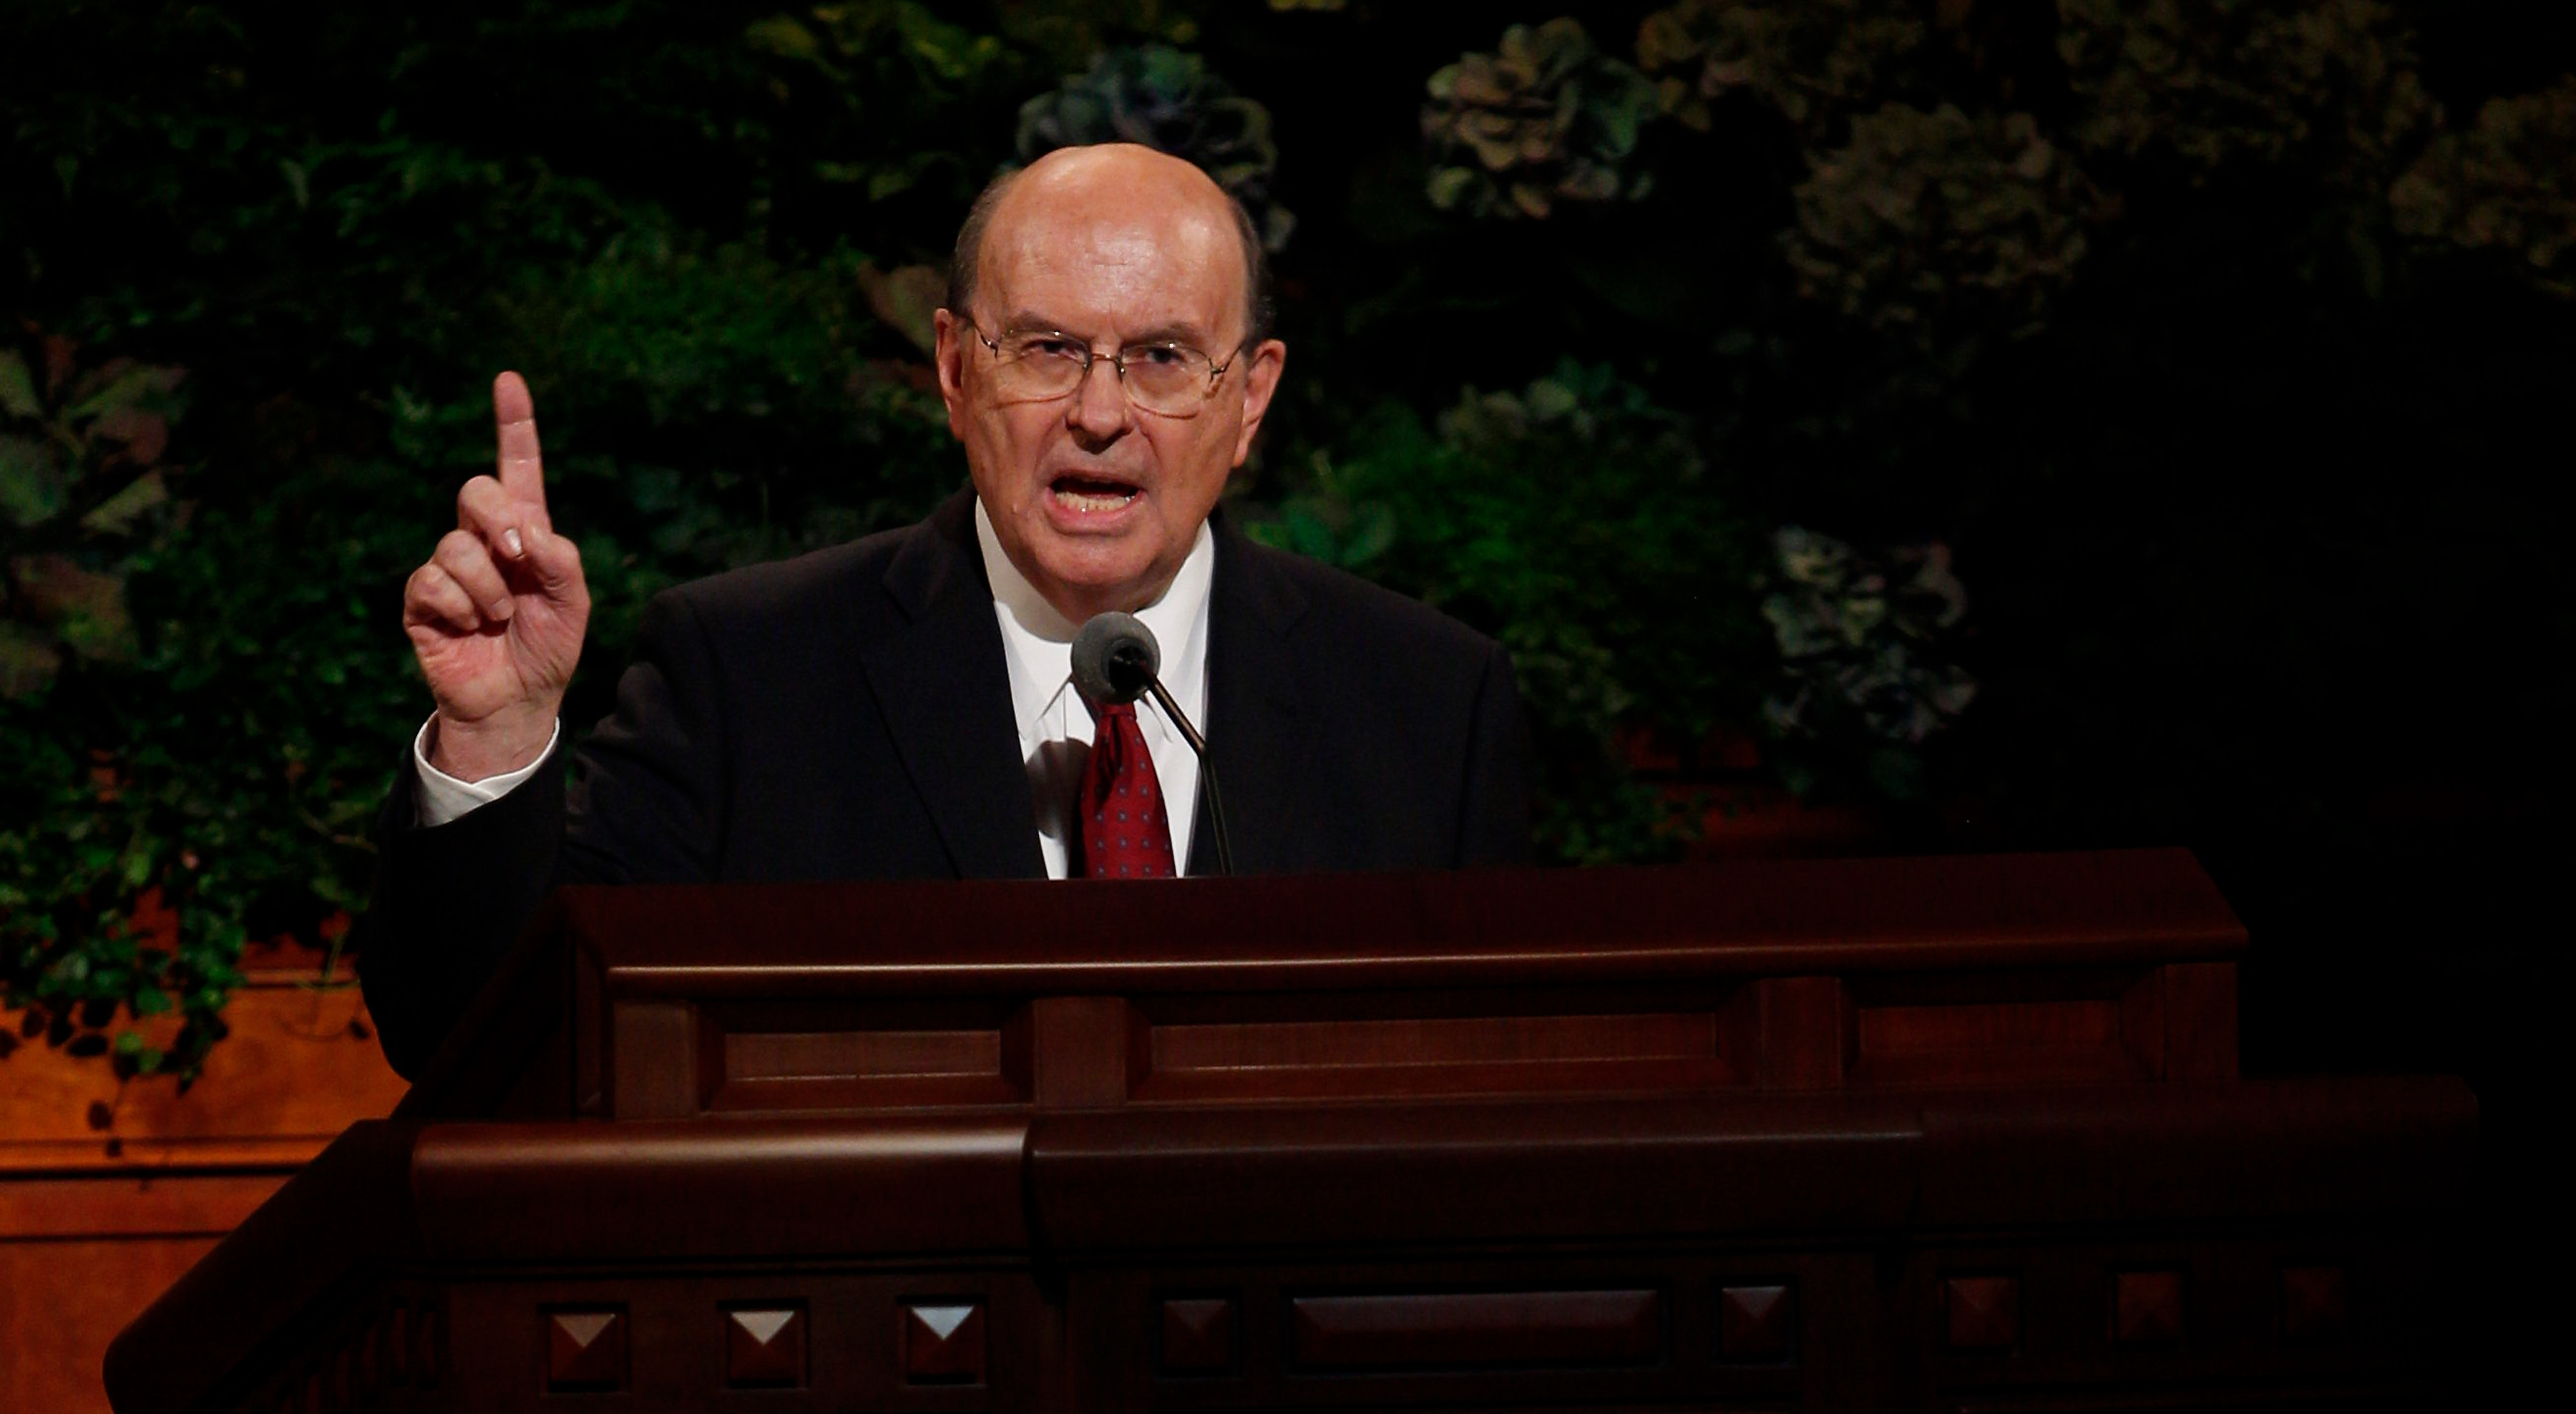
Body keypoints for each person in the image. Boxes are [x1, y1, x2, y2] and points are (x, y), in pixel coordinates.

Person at [358, 144, 1532, 1077]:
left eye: (1164, 358)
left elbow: (1505, 1094)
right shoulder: (747, 675)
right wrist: (496, 739)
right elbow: (487, 1053)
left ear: (1253, 397)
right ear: (958, 372)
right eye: (1048, 349)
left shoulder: (1429, 705)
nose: (1100, 415)